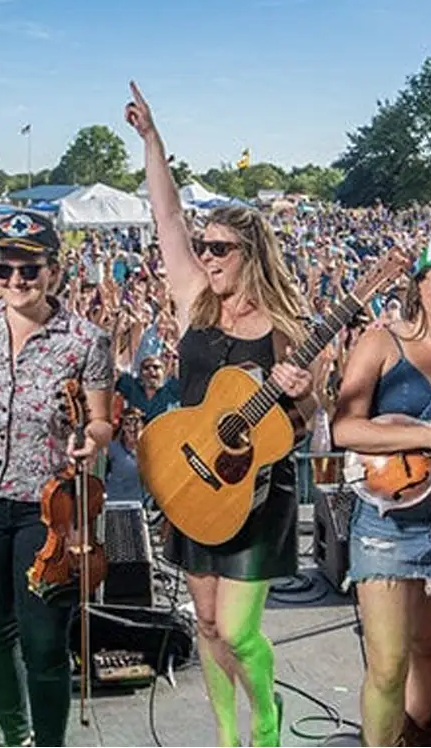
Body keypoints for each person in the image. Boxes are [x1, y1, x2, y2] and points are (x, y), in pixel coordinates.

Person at [126, 82, 320, 748]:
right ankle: (225, 736)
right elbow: (165, 218)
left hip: (256, 493)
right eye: (203, 248)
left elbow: (309, 416)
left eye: (219, 250)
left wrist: (300, 389)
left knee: (237, 630)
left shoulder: (286, 327)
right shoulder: (194, 305)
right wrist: (152, 142)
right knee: (206, 626)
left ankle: (265, 725)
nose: (205, 257)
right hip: (194, 480)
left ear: (251, 255)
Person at [0, 208, 113, 748]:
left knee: (43, 642)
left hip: (47, 510)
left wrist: (93, 437)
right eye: (2, 269)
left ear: (54, 272)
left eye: (28, 270)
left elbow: (102, 418)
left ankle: (50, 743)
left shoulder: (87, 340)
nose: (15, 280)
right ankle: (16, 734)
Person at [332, 233, 431, 747]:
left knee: (427, 647)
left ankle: (419, 740)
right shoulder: (381, 342)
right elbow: (345, 429)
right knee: (388, 663)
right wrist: (427, 436)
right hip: (386, 526)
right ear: (418, 284)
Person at [114, 353, 180, 423]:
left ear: (164, 372)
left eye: (156, 367)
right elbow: (114, 369)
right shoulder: (132, 387)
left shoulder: (171, 389)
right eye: (146, 368)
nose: (151, 370)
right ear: (140, 374)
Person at [104, 408, 144, 503]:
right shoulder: (112, 448)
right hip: (115, 503)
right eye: (127, 424)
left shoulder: (148, 450)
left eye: (136, 424)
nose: (132, 428)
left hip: (139, 503)